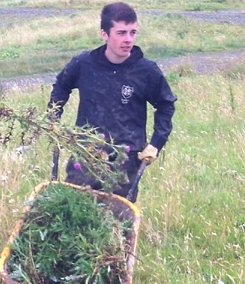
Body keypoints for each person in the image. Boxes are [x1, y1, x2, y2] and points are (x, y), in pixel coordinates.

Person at [47, 2, 176, 203]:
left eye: (133, 32)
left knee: (117, 218)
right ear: (104, 34)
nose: (128, 39)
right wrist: (53, 120)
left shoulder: (146, 71)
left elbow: (166, 104)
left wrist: (155, 144)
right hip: (86, 153)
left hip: (125, 159)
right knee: (73, 207)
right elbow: (61, 87)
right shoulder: (84, 64)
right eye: (121, 33)